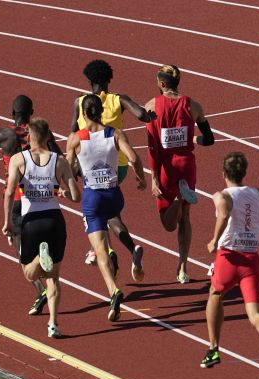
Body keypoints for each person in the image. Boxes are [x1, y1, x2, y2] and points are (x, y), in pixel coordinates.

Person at [0, 95, 63, 316]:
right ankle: (45, 284)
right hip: (41, 199)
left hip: (16, 199)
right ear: (32, 112)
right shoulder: (42, 134)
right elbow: (58, 156)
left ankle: (39, 289)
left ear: (12, 114)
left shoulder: (4, 136)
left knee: (21, 251)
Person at [200, 152, 259, 379]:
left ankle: (213, 348)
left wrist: (214, 240)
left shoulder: (221, 195)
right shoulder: (258, 194)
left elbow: (225, 212)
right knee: (256, 314)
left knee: (215, 294)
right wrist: (252, 219)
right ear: (244, 172)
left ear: (224, 174)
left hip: (228, 257)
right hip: (251, 260)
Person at [71, 59, 155, 281]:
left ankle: (105, 250)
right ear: (109, 79)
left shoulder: (80, 102)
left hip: (88, 162)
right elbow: (141, 114)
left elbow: (73, 131)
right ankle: (129, 248)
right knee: (110, 211)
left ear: (89, 81)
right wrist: (150, 115)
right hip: (117, 164)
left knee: (99, 211)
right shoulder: (119, 99)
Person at [66, 95, 146, 322]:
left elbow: (69, 170)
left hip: (93, 199)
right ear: (101, 111)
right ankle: (128, 251)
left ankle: (113, 290)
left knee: (100, 251)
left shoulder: (75, 139)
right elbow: (133, 157)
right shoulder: (115, 134)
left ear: (83, 114)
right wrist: (141, 179)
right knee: (113, 221)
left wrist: (69, 187)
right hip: (114, 196)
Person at [2, 118, 80, 338]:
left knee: (29, 273)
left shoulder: (19, 159)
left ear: (28, 136)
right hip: (54, 220)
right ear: (48, 137)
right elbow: (76, 196)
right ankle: (53, 324)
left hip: (31, 221)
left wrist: (7, 222)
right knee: (54, 277)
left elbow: (9, 193)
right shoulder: (60, 161)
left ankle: (38, 259)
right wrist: (63, 193)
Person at [145, 64, 215, 283]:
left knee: (168, 223)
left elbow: (152, 147)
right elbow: (210, 139)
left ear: (162, 83)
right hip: (187, 163)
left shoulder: (152, 106)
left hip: (167, 166)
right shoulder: (193, 105)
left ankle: (177, 198)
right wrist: (194, 139)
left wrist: (153, 178)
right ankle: (183, 267)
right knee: (185, 217)